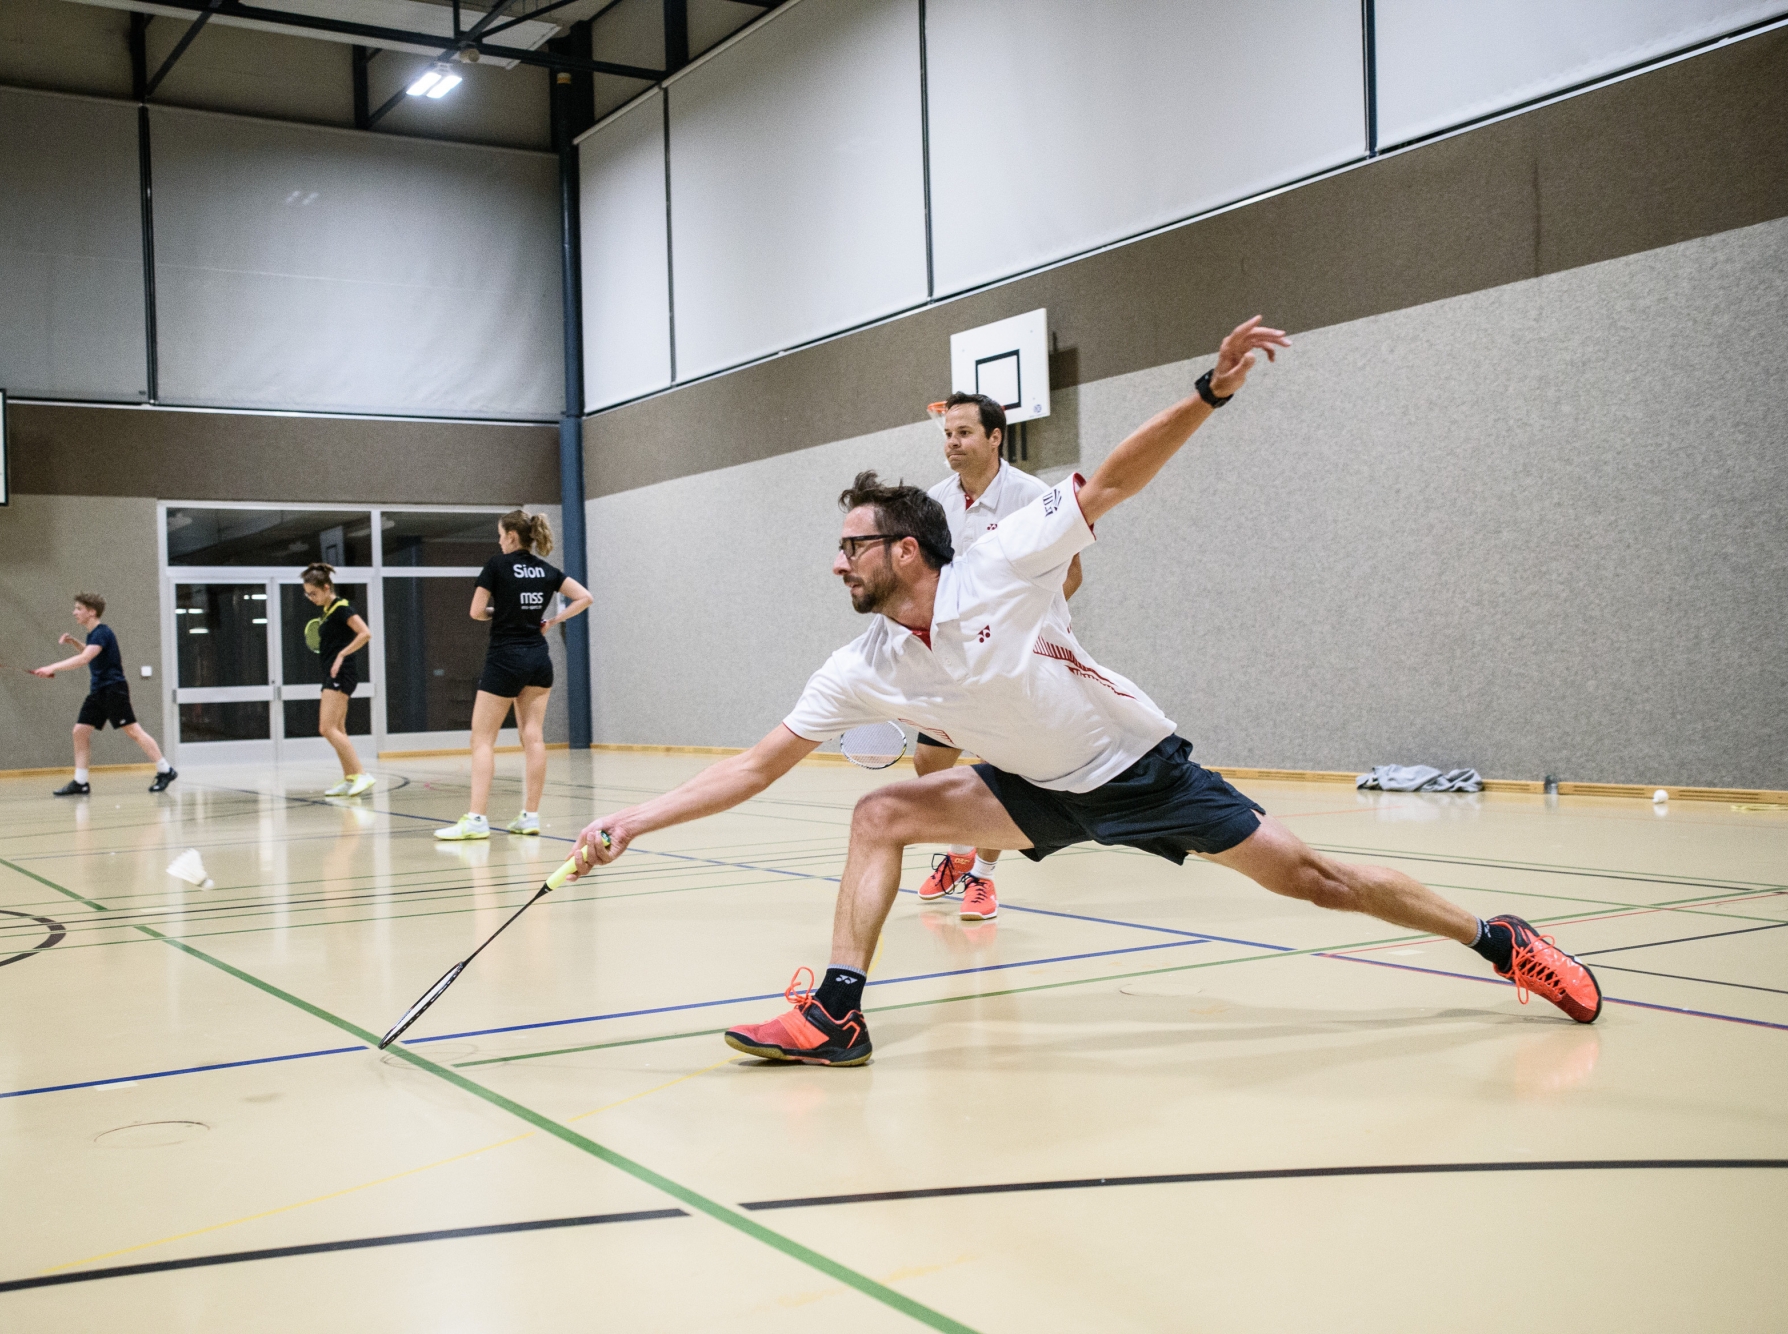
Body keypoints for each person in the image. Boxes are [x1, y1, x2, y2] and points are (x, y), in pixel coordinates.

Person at [570, 316, 1602, 1067]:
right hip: (1026, 784)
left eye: (849, 548)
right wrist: (632, 819)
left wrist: (1207, 391)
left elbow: (1108, 480)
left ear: (904, 548)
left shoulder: (999, 563)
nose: (833, 565)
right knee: (880, 808)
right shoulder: (863, 665)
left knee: (1314, 880)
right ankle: (838, 1012)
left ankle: (1498, 939)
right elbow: (756, 764)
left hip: (1135, 768)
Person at [915, 392, 1085, 923]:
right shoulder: (932, 503)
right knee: (929, 764)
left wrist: (1018, 632)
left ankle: (982, 879)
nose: (952, 443)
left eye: (964, 433)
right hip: (954, 658)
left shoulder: (1033, 497)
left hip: (1016, 659)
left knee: (1004, 765)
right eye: (947, 434)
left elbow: (1071, 574)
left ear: (995, 437)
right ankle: (960, 846)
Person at [435, 510, 593, 841]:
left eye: (499, 534)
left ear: (511, 536)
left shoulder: (497, 565)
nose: (498, 540)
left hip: (505, 660)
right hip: (538, 660)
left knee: (482, 739)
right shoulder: (547, 570)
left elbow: (476, 611)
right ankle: (530, 816)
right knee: (533, 737)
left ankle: (477, 818)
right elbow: (585, 597)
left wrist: (501, 610)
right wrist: (555, 620)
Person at [35, 593, 177, 796]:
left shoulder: (102, 632)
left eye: (78, 608)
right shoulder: (93, 635)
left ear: (91, 612)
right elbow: (91, 653)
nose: (74, 612)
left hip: (113, 690)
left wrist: (51, 667)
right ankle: (80, 782)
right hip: (98, 691)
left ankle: (166, 770)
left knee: (133, 732)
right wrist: (75, 643)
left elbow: (85, 659)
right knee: (80, 731)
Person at [300, 563, 376, 797]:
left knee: (327, 728)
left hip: (341, 673)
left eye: (313, 593)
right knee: (339, 728)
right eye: (307, 594)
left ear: (326, 587)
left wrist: (342, 654)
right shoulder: (326, 612)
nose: (310, 597)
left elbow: (365, 633)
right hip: (332, 673)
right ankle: (350, 778)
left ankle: (362, 774)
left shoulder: (342, 608)